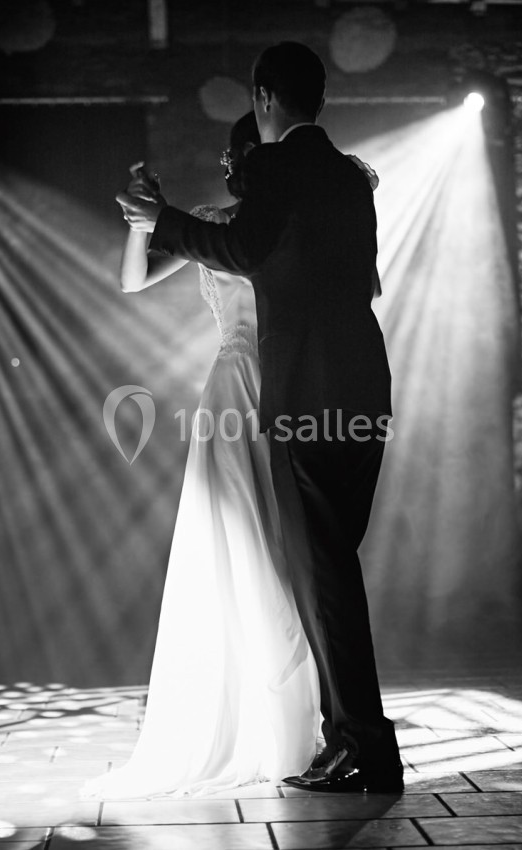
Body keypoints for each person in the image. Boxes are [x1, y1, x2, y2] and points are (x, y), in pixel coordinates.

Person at [117, 41, 403, 793]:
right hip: (361, 385)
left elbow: (244, 248)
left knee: (322, 573)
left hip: (302, 392)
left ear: (265, 97)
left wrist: (162, 217)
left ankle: (363, 747)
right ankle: (349, 738)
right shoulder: (350, 177)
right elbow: (353, 277)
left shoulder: (278, 166)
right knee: (328, 567)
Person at [83, 112, 321, 799]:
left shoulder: (288, 221)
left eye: (240, 157)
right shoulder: (212, 224)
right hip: (232, 387)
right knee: (235, 536)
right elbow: (133, 281)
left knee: (283, 543)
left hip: (286, 384)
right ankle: (245, 713)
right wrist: (142, 221)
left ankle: (289, 713)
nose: (233, 169)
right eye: (229, 160)